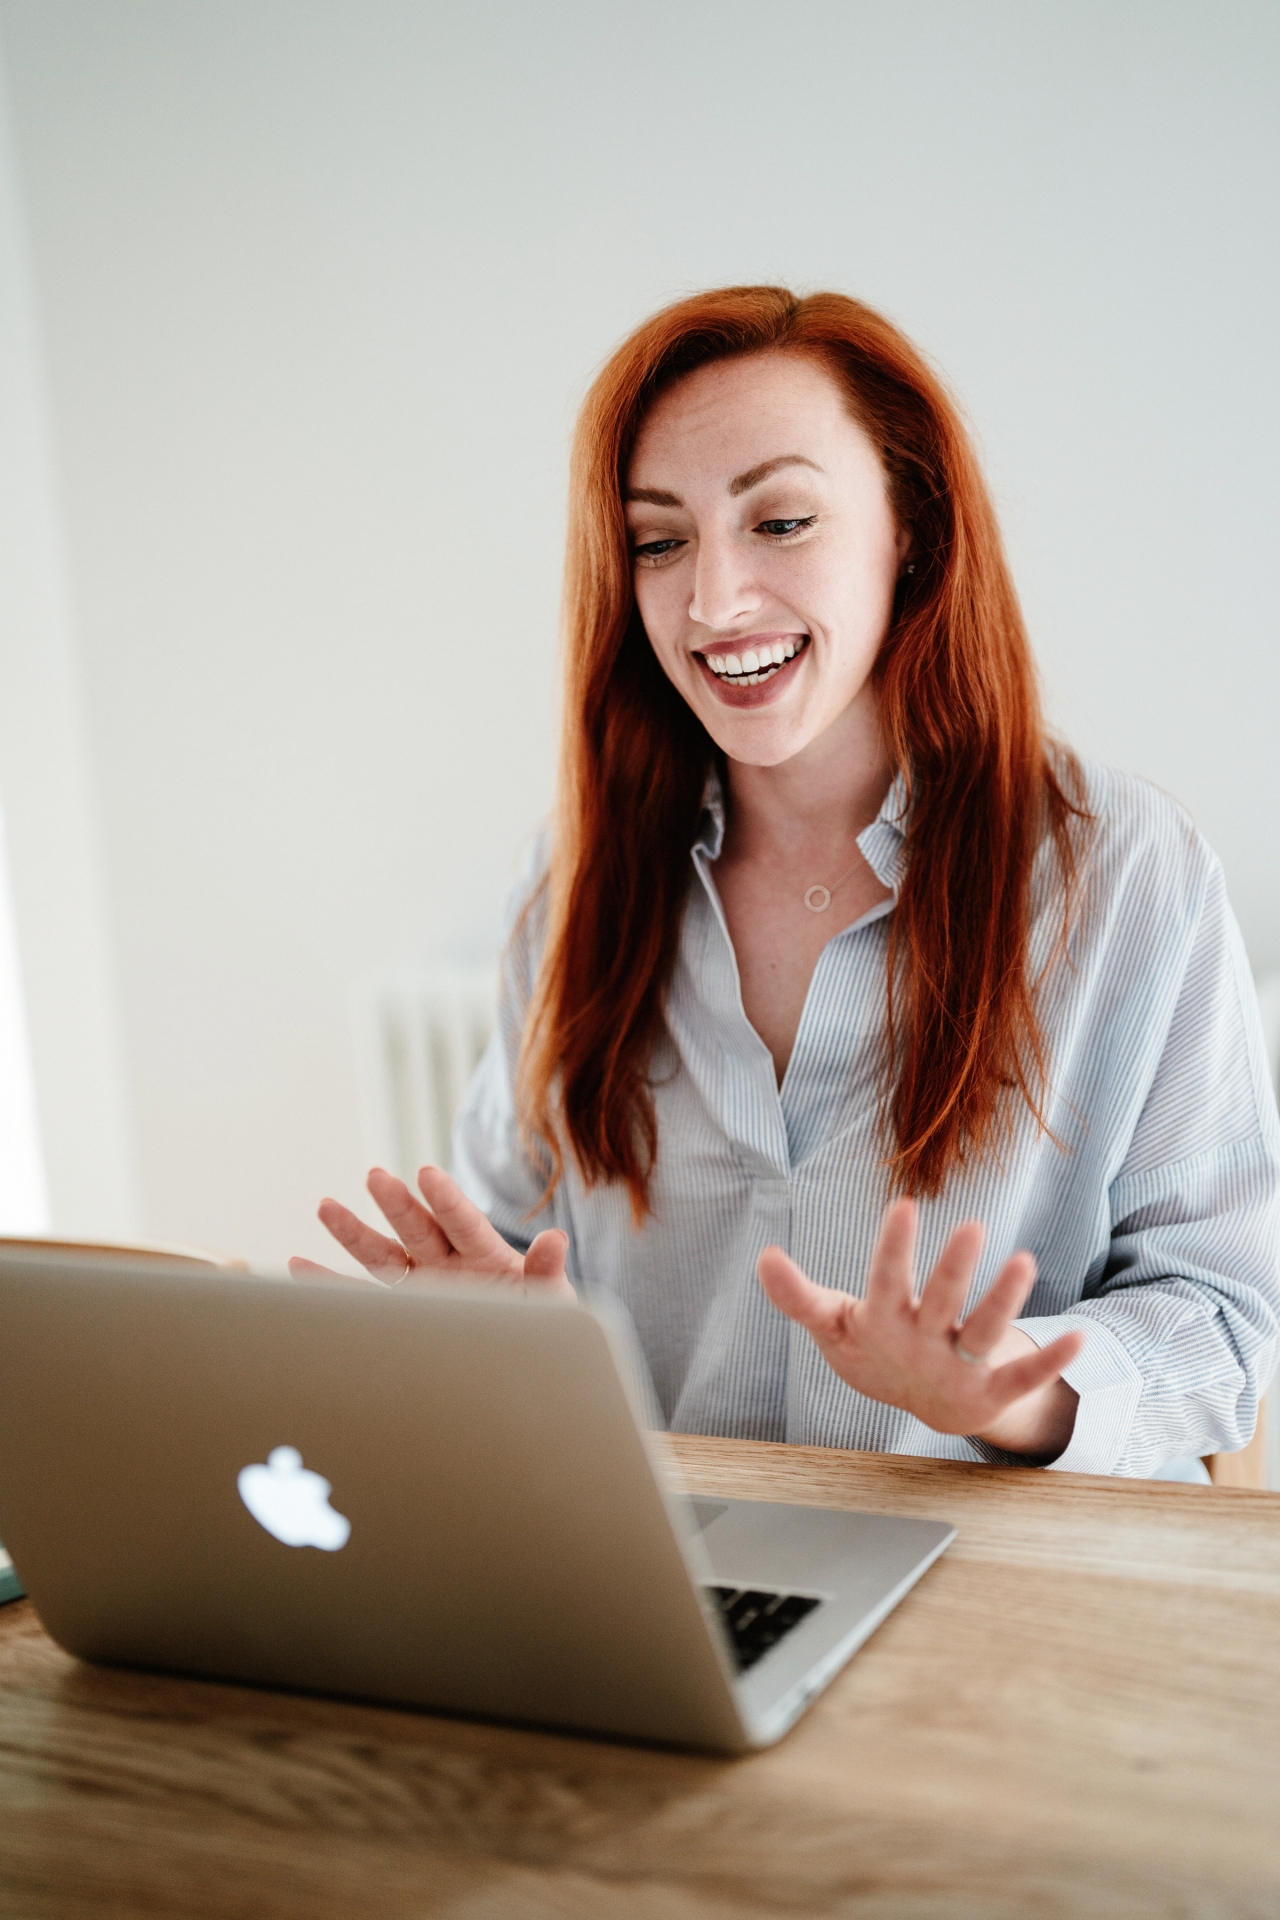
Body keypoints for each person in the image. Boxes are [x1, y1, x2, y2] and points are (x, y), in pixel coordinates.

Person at [296, 286, 1280, 1475]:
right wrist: (514, 1342)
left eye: (779, 522)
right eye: (658, 541)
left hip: (1001, 1587)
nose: (711, 603)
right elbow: (508, 1239)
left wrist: (1002, 1392)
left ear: (908, 526)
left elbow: (1224, 1324)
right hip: (675, 1579)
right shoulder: (572, 884)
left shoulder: (1122, 874)